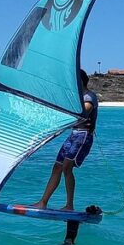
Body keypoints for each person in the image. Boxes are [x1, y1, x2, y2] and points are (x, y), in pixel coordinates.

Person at [32, 69, 98, 211]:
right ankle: (43, 202)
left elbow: (83, 112)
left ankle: (69, 205)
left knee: (67, 167)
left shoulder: (89, 97)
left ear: (80, 81)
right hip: (73, 135)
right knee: (57, 167)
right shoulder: (77, 98)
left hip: (83, 136)